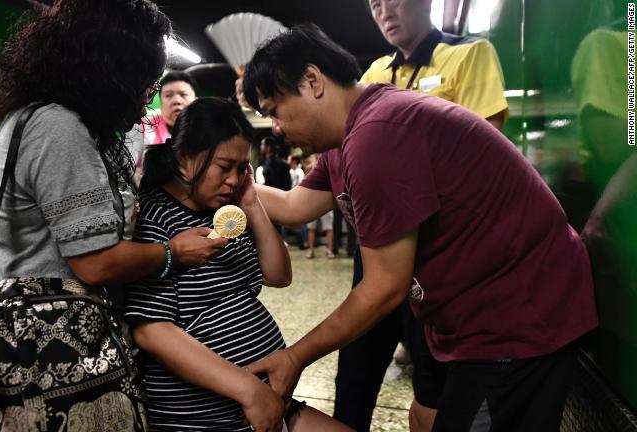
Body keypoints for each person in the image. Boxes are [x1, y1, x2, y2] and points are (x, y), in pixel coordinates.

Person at [241, 24, 597, 432]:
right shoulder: (347, 138)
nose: (277, 128)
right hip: (471, 318)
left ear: (312, 81)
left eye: (273, 110)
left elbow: (383, 287)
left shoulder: (379, 136)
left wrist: (295, 356)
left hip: (518, 317)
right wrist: (234, 186)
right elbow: (294, 204)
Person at [0, 1, 226, 430]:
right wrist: (171, 253)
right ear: (105, 72)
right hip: (48, 345)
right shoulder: (57, 127)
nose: (144, 102)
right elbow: (93, 262)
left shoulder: (43, 118)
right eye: (140, 85)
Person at [124, 97, 351, 432]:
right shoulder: (155, 217)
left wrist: (252, 203)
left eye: (240, 168)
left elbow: (278, 275)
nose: (233, 180)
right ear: (185, 157)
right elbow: (152, 331)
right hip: (205, 417)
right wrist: (249, 392)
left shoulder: (226, 214)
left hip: (266, 401)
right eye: (223, 167)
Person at [336, 0, 511, 429]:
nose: (383, 11)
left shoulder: (468, 55)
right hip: (379, 248)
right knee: (353, 378)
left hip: (439, 262)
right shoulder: (374, 73)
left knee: (433, 388)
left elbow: (480, 155)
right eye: (374, 4)